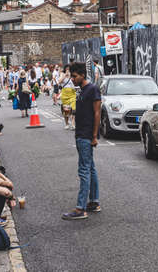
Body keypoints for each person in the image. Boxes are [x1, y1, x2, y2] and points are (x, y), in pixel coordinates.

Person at [62, 62, 101, 220]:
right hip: (80, 133)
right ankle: (94, 202)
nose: (72, 79)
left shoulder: (92, 89)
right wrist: (71, 111)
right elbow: (83, 111)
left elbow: (97, 113)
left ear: (82, 75)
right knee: (90, 168)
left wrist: (94, 136)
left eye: (74, 76)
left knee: (84, 170)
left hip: (85, 135)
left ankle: (80, 208)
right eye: (71, 75)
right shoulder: (81, 91)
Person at [59, 65, 76, 130]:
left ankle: (73, 124)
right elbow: (59, 82)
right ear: (65, 69)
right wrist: (65, 75)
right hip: (65, 94)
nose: (68, 70)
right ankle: (66, 124)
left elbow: (76, 83)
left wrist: (72, 78)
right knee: (66, 110)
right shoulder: (62, 74)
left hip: (72, 94)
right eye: (67, 69)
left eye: (69, 69)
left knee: (73, 109)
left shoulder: (73, 75)